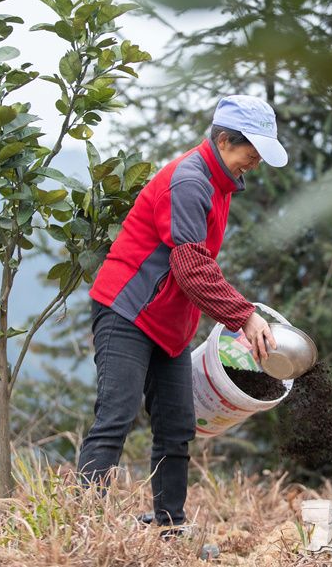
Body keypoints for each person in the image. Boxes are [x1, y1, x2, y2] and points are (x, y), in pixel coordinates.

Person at [78, 94, 288, 532]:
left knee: (177, 427)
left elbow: (198, 266)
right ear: (226, 139)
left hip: (169, 323)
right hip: (127, 310)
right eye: (253, 151)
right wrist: (244, 316)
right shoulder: (190, 181)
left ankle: (169, 526)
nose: (256, 162)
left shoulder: (219, 182)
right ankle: (82, 524)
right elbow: (190, 266)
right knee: (115, 416)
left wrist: (233, 313)